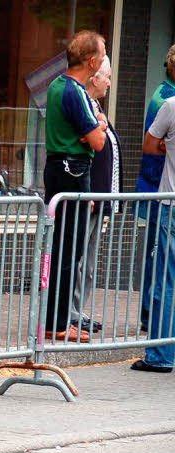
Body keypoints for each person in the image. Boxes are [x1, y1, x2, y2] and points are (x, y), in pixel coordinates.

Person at [43, 30, 107, 343]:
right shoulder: (75, 91)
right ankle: (57, 321)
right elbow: (97, 140)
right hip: (73, 168)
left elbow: (89, 134)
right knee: (70, 250)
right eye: (104, 54)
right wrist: (98, 128)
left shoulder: (56, 85)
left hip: (59, 168)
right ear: (93, 61)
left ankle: (54, 317)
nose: (105, 59)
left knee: (62, 248)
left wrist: (92, 130)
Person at [71, 56, 120, 334]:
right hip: (89, 197)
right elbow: (87, 147)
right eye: (107, 76)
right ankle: (71, 313)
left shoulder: (96, 107)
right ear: (95, 77)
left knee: (88, 263)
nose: (110, 82)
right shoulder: (85, 106)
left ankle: (78, 311)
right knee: (78, 259)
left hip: (99, 199)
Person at [132, 95, 175, 373]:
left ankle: (161, 355)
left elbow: (149, 145)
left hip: (172, 204)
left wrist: (166, 144)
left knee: (166, 280)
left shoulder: (170, 105)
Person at [135, 44, 175, 330]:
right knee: (157, 258)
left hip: (163, 189)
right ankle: (152, 316)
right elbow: (152, 147)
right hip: (157, 189)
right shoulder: (165, 99)